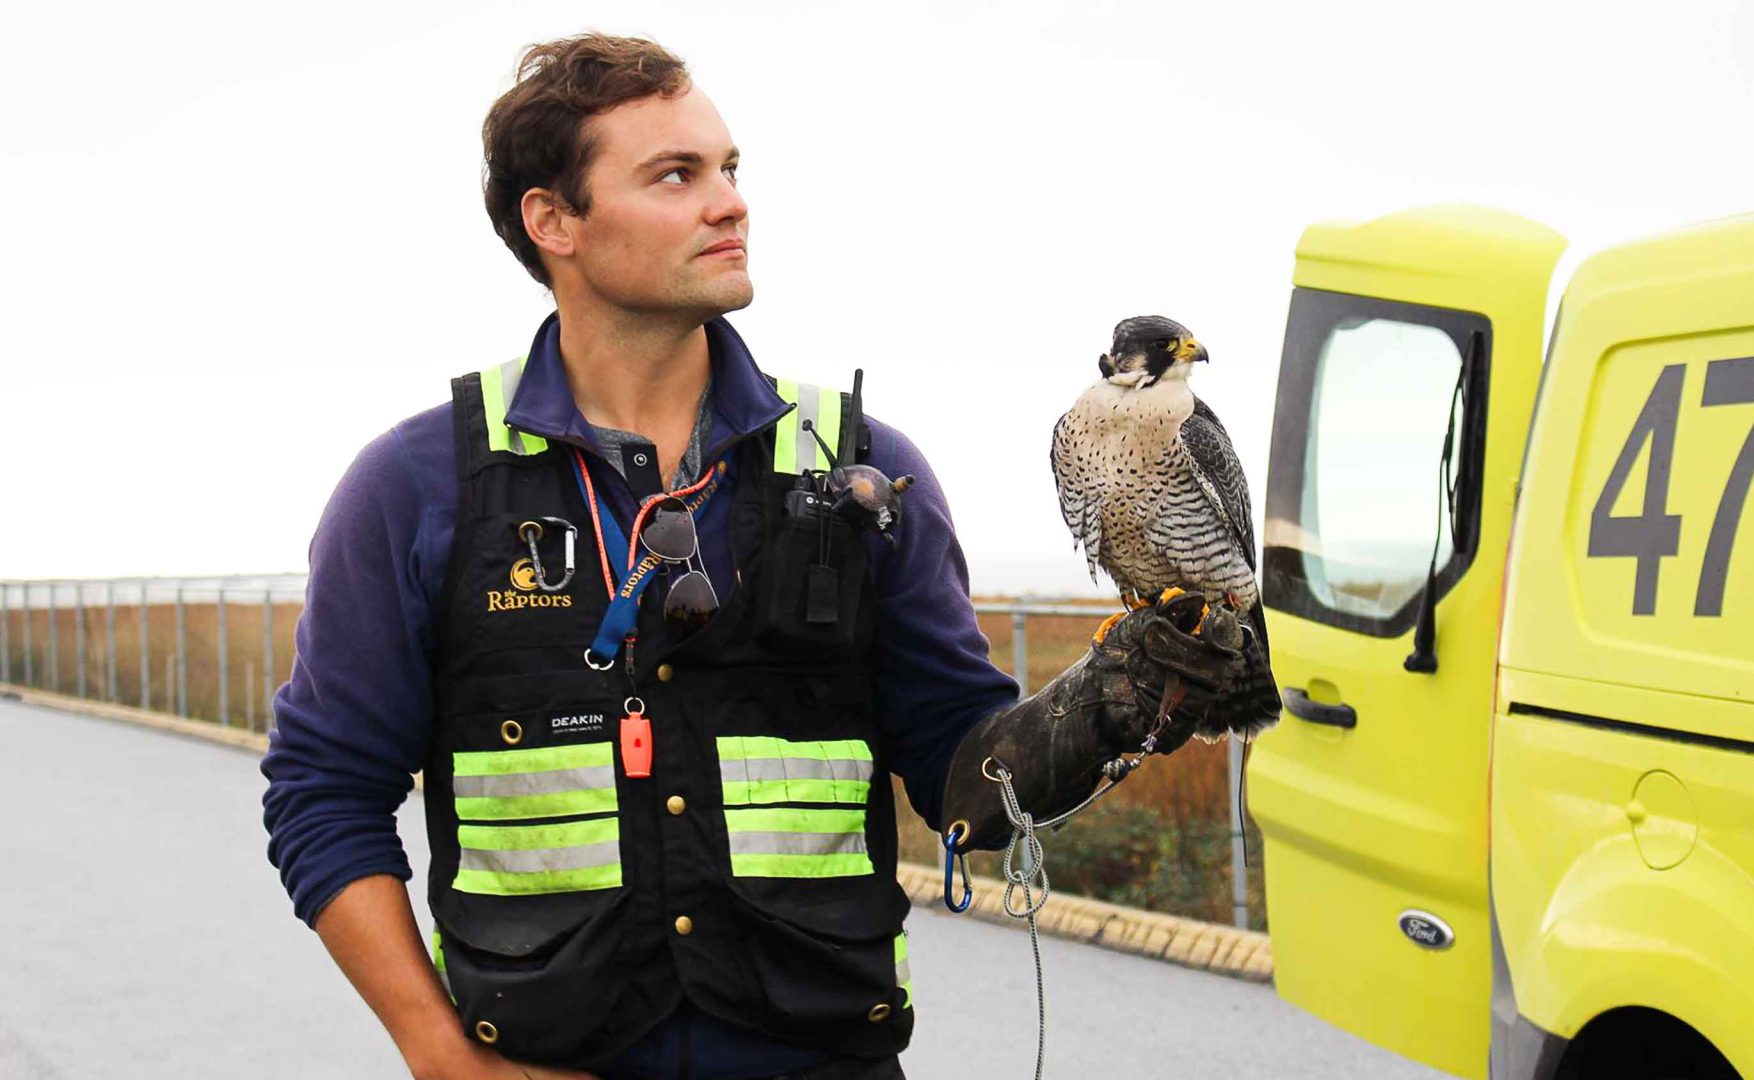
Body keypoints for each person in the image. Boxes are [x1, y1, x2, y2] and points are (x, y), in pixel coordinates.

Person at [260, 33, 1242, 1080]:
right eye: (676, 176)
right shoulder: (419, 485)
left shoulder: (870, 472)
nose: (729, 202)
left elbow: (966, 779)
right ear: (555, 222)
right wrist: (440, 1054)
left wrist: (1100, 711)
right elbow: (322, 788)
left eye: (730, 170)